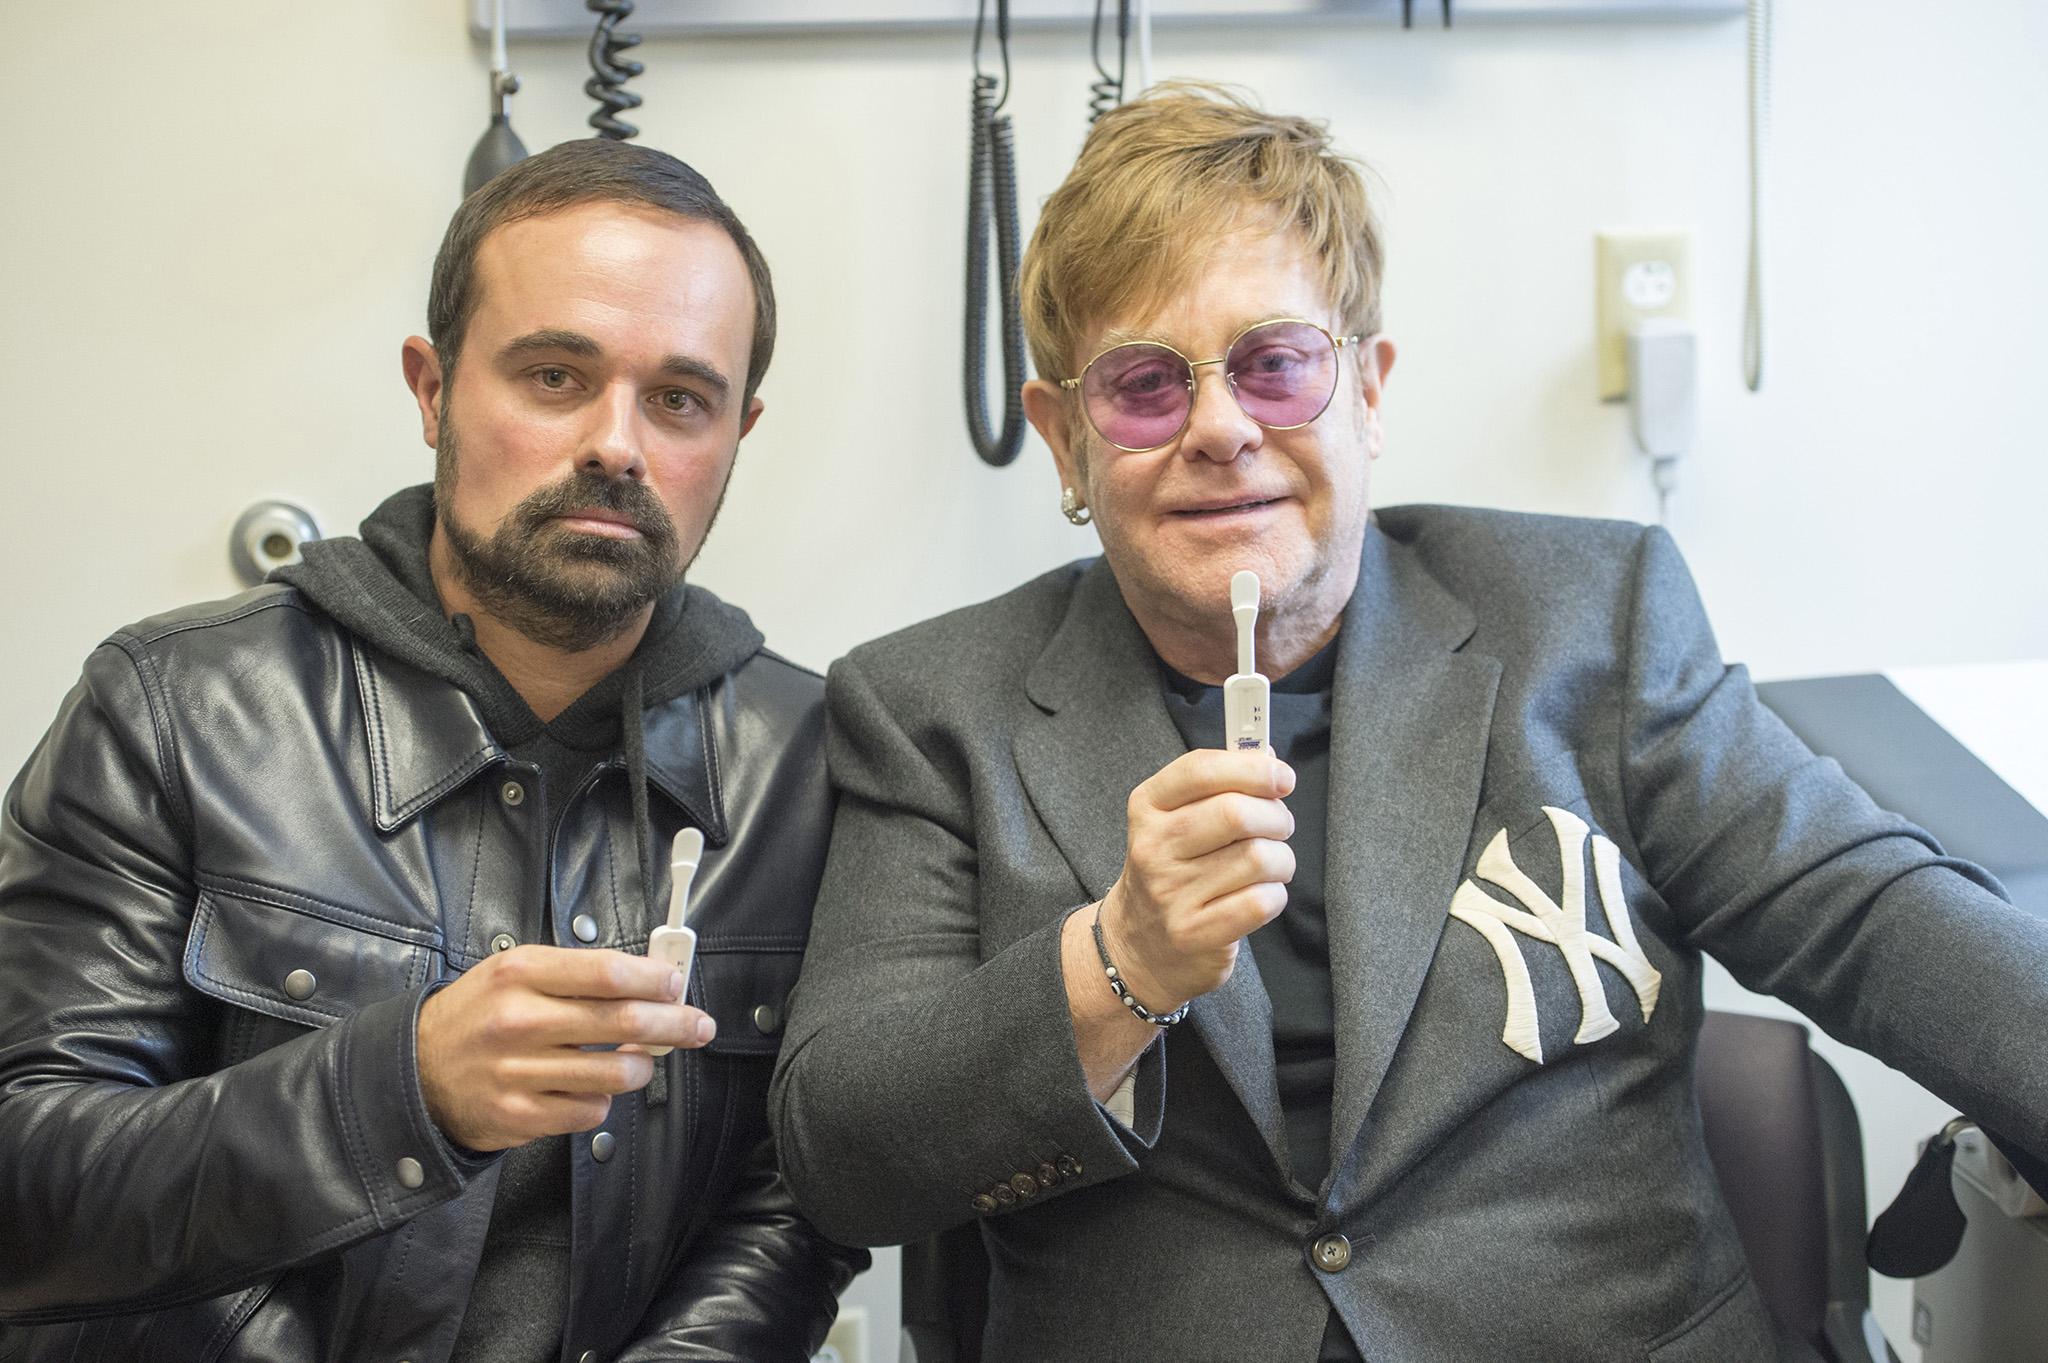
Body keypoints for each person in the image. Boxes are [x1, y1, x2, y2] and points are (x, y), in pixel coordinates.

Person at [768, 85, 2048, 1362]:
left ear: (1367, 392)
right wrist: (1117, 966)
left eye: (1273, 366)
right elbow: (845, 1152)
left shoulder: (1590, 623)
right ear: (1061, 440)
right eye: (1145, 386)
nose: (1219, 429)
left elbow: (1866, 914)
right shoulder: (931, 708)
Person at [0, 139, 864, 1363]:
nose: (616, 444)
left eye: (679, 398)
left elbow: (799, 1195)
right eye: (556, 376)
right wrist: (393, 1095)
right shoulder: (174, 708)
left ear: (737, 431)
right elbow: (27, 1192)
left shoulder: (809, 761)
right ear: (431, 387)